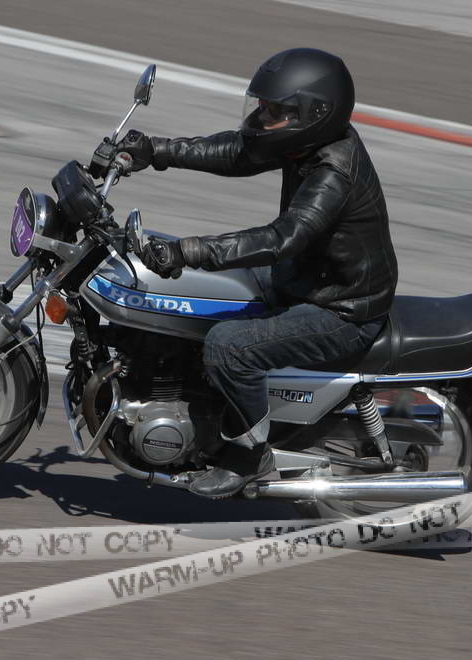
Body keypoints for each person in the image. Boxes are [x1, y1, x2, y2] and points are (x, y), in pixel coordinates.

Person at [117, 47, 398, 498]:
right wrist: (156, 151)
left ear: (314, 114)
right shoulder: (306, 143)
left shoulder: (334, 172)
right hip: (306, 279)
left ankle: (249, 456)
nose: (263, 118)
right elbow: (237, 153)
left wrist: (189, 250)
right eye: (263, 106)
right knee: (199, 301)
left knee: (229, 347)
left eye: (275, 111)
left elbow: (281, 238)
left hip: (342, 309)